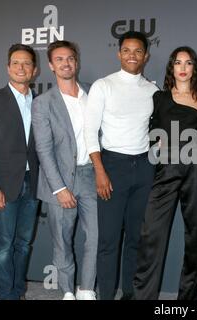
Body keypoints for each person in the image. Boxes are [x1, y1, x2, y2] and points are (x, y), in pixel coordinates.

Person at [84, 31, 158, 300]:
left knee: (136, 239)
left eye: (138, 51)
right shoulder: (103, 86)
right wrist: (100, 171)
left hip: (144, 168)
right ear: (119, 53)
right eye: (126, 50)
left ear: (145, 56)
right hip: (111, 166)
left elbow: (159, 130)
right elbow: (90, 132)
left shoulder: (152, 90)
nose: (132, 55)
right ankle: (105, 296)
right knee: (108, 240)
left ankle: (129, 293)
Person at [133, 46, 197, 300]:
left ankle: (188, 299)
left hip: (195, 170)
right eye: (178, 63)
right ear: (171, 68)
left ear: (194, 68)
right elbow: (148, 131)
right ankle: (144, 296)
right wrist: (157, 144)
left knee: (195, 235)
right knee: (151, 233)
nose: (183, 68)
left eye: (188, 63)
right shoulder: (159, 97)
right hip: (165, 170)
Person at [31, 40, 97, 300]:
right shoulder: (43, 103)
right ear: (50, 65)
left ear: (76, 62)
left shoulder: (93, 93)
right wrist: (59, 188)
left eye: (70, 58)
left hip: (91, 176)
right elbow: (44, 150)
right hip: (59, 180)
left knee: (96, 237)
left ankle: (87, 289)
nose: (66, 63)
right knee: (62, 239)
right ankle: (68, 291)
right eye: (59, 59)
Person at [0, 44, 39, 300]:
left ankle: (17, 291)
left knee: (23, 244)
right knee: (3, 246)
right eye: (16, 63)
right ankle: (7, 296)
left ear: (34, 70)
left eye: (26, 63)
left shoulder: (41, 102)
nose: (21, 68)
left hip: (33, 183)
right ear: (8, 67)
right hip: (2, 184)